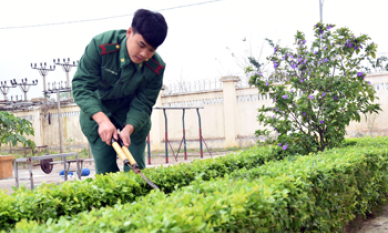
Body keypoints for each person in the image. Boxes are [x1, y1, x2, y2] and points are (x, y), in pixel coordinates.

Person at [72, 9, 168, 174]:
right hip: (98, 112)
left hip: (132, 119)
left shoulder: (156, 68)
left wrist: (128, 129)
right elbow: (82, 86)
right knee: (106, 173)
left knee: (135, 171)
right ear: (129, 32)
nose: (144, 54)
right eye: (141, 45)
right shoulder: (100, 47)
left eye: (151, 50)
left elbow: (144, 104)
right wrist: (102, 121)